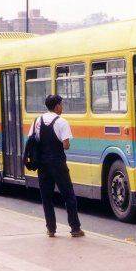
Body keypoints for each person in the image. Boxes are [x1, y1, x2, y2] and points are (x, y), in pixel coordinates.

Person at [28, 94, 84, 238]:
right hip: (58, 164)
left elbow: (32, 140)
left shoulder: (37, 121)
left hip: (42, 164)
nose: (62, 107)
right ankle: (75, 228)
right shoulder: (61, 122)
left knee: (46, 197)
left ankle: (51, 229)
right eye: (62, 104)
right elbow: (65, 145)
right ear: (57, 106)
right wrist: (66, 143)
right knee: (68, 195)